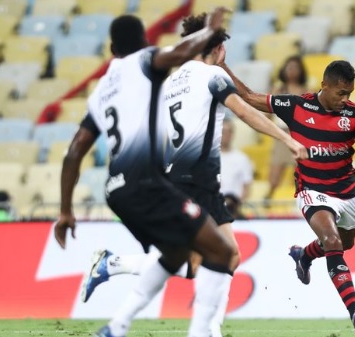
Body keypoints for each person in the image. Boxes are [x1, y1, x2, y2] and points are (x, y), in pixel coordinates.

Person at [76, 13, 307, 337]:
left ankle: (209, 327)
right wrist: (287, 139)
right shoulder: (211, 75)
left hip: (178, 175)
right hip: (196, 177)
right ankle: (117, 270)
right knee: (205, 261)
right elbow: (244, 111)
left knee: (228, 256)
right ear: (218, 48)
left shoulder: (169, 81)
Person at [53, 11, 239, 337]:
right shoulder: (145, 61)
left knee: (177, 253)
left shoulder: (100, 93)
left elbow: (73, 153)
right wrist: (208, 31)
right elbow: (180, 53)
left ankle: (117, 326)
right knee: (222, 252)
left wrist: (66, 210)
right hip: (147, 183)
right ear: (144, 40)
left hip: (116, 191)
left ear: (112, 48)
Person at [219, 59, 355, 336]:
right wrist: (223, 65)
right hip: (312, 190)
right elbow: (249, 97)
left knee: (346, 242)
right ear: (325, 85)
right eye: (341, 93)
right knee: (332, 241)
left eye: (350, 93)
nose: (346, 99)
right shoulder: (296, 106)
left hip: (346, 193)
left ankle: (304, 255)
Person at [267, 55, 309, 200]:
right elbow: (267, 114)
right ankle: (268, 201)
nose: (291, 70)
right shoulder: (277, 90)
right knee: (274, 174)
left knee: (299, 174)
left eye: (295, 67)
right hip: (280, 135)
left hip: (298, 135)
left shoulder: (306, 91)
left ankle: (301, 202)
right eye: (288, 67)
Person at [220, 118, 254, 207]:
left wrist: (237, 206)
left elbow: (247, 186)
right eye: (223, 131)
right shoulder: (209, 157)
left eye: (229, 132)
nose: (226, 135)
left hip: (234, 207)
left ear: (233, 134)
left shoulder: (242, 159)